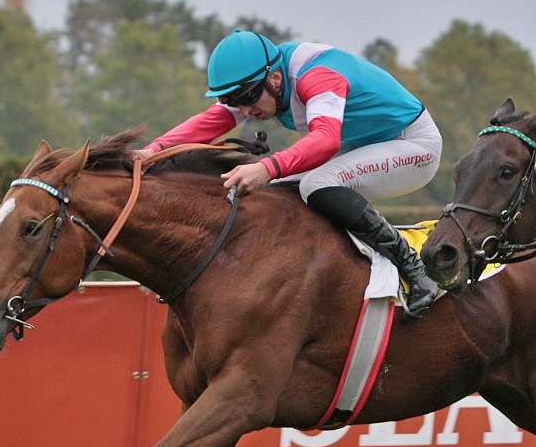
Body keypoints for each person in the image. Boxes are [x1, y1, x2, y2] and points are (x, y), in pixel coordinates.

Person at [138, 29, 442, 315]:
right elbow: (211, 121)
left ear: (275, 78)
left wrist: (267, 167)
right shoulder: (262, 78)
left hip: (413, 144)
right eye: (233, 101)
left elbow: (326, 140)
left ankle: (415, 270)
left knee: (315, 183)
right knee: (273, 191)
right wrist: (152, 151)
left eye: (247, 98)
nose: (244, 112)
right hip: (365, 142)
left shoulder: (316, 77)